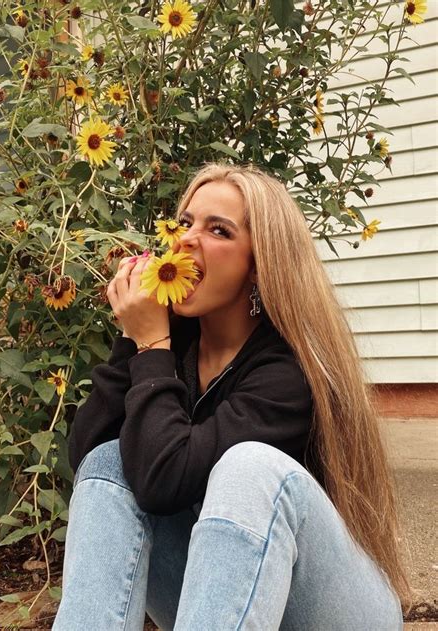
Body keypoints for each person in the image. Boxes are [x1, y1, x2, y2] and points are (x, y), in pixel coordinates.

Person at [52, 163, 410, 630]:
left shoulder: (289, 372)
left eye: (218, 230)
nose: (186, 239)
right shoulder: (168, 347)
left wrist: (151, 348)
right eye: (184, 223)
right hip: (228, 607)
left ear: (260, 265)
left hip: (334, 612)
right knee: (108, 461)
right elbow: (90, 463)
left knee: (250, 467)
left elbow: (167, 479)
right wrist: (134, 340)